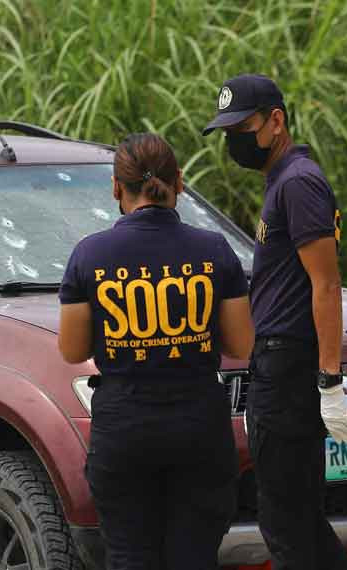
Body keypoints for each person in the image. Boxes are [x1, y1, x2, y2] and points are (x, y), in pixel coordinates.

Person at [58, 132, 254, 570]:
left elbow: (71, 350)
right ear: (179, 182)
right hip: (199, 427)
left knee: (130, 557)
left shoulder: (90, 255)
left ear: (115, 188)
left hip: (124, 429)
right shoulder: (214, 251)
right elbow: (241, 344)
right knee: (195, 558)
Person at [202, 74, 347, 570]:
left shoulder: (298, 182)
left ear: (276, 121)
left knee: (286, 524)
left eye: (241, 127)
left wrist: (329, 381)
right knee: (300, 521)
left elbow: (326, 285)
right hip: (279, 365)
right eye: (226, 132)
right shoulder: (285, 180)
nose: (233, 141)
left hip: (288, 369)